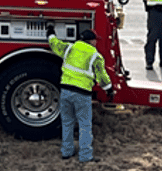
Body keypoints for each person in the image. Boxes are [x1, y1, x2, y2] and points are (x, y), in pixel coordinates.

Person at [47, 28, 113, 163]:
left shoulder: (69, 48)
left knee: (67, 122)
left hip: (65, 91)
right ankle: (85, 156)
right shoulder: (95, 56)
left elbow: (54, 44)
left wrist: (51, 33)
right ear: (92, 41)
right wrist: (109, 90)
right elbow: (102, 76)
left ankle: (66, 152)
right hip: (82, 94)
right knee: (84, 125)